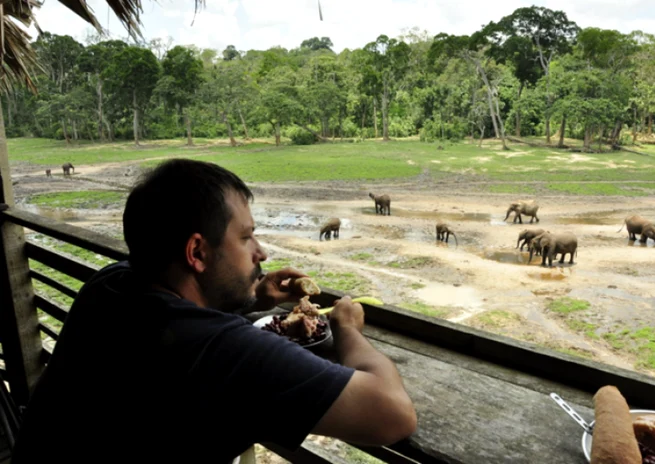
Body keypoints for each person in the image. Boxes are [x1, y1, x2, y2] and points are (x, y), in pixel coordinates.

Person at [11, 159, 416, 464]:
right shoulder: (215, 349)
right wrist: (346, 328)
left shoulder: (112, 284)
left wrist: (254, 300)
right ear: (197, 252)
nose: (261, 253)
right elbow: (392, 415)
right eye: (246, 237)